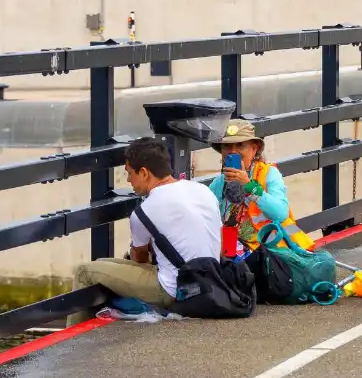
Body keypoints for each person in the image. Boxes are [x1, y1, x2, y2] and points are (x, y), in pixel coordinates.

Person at [68, 137, 221, 325]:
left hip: (174, 289)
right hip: (212, 280)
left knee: (85, 272)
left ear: (144, 173)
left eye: (130, 173)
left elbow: (139, 258)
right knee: (102, 264)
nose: (128, 180)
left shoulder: (144, 210)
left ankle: (72, 346)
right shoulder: (202, 190)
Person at [207, 119, 314, 254]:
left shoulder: (269, 174)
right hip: (235, 250)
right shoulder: (218, 184)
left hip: (274, 248)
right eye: (227, 146)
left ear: (254, 149)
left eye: (240, 145)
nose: (233, 152)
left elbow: (281, 214)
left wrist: (249, 187)